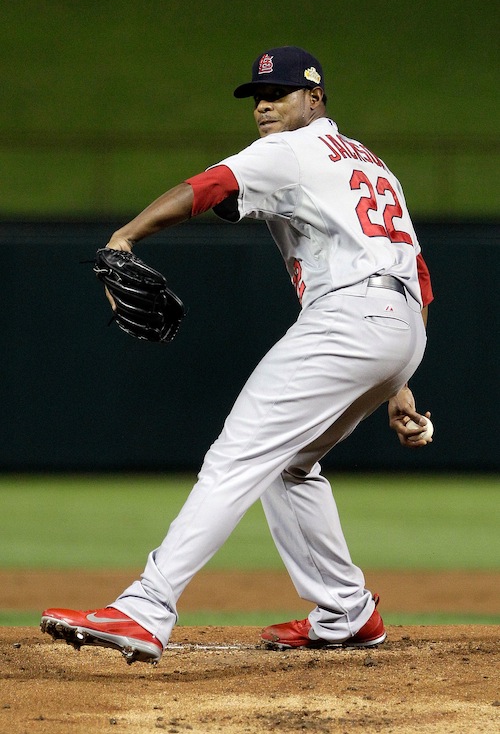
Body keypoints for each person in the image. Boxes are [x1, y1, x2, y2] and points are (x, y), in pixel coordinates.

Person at [41, 46, 433, 664]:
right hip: (399, 322)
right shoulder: (373, 164)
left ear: (316, 98)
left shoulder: (289, 152)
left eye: (278, 92)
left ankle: (146, 606)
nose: (265, 105)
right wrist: (399, 381)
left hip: (349, 319)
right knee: (289, 464)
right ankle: (346, 609)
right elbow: (416, 270)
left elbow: (209, 187)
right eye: (257, 96)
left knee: (238, 454)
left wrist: (126, 236)